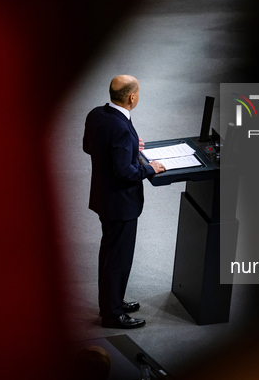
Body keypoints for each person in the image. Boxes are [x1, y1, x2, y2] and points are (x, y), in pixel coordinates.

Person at [83, 75, 165, 329]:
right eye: (138, 93)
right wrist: (150, 168)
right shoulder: (120, 126)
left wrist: (130, 147)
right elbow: (125, 173)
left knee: (109, 255)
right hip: (121, 205)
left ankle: (112, 301)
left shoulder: (97, 114)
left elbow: (89, 146)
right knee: (118, 260)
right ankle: (112, 314)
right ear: (132, 97)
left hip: (103, 199)